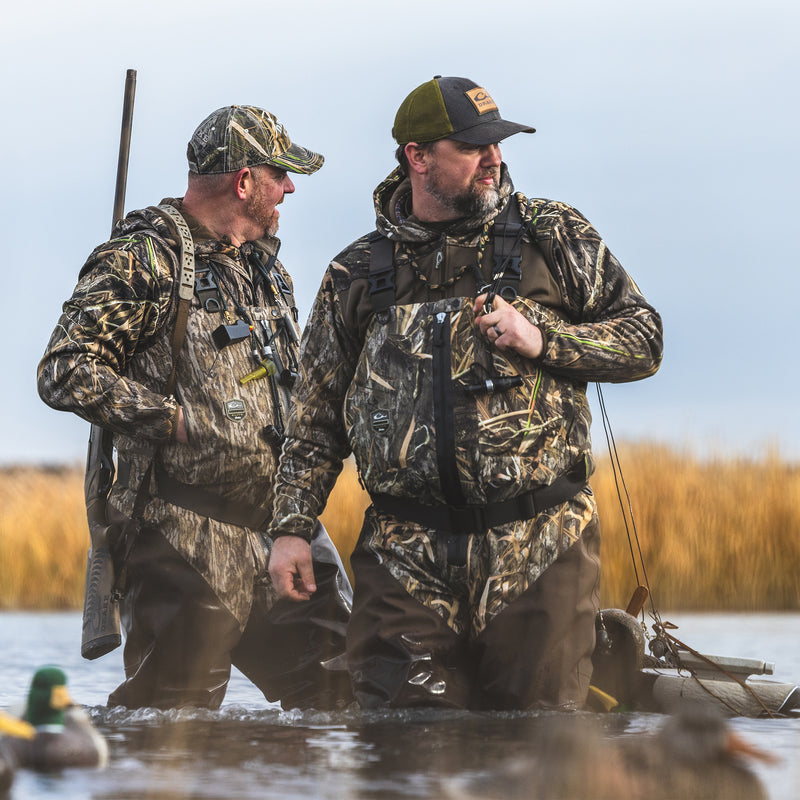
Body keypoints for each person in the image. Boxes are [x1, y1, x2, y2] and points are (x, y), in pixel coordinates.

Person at [267, 76, 663, 710]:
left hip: (540, 545)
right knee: (403, 752)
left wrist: (544, 338)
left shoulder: (551, 234)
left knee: (533, 754)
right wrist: (291, 527)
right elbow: (313, 418)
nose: (494, 159)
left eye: (497, 144)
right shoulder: (355, 272)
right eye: (473, 146)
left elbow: (645, 339)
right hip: (404, 557)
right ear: (417, 157)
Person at [37, 105, 352, 711]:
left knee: (340, 700)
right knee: (171, 726)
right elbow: (64, 370)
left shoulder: (267, 268)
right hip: (181, 537)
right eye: (280, 174)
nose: (290, 187)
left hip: (282, 532)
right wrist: (168, 418)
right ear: (243, 182)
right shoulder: (142, 258)